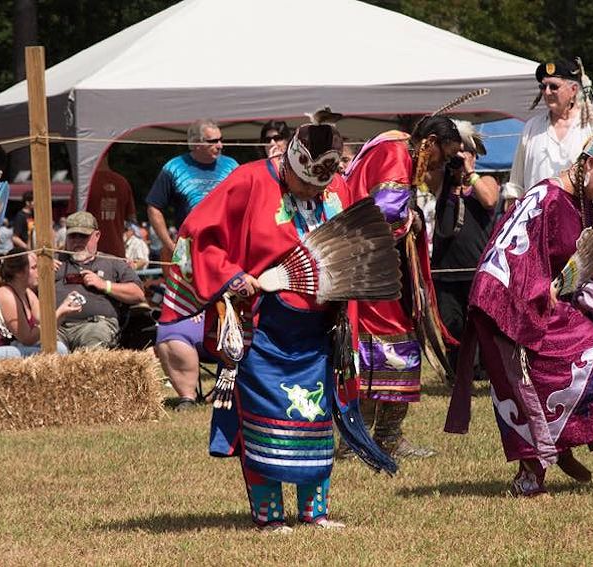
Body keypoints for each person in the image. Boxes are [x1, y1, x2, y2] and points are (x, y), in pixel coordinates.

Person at [158, 123, 350, 531]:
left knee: (314, 417)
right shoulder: (248, 180)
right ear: (290, 164)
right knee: (263, 418)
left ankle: (315, 512)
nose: (312, 194)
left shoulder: (334, 191)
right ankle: (269, 515)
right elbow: (198, 235)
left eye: (320, 186)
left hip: (315, 330)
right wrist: (231, 277)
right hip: (260, 326)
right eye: (304, 183)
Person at [446, 131, 593, 496]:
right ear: (591, 162)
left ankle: (560, 445)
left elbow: (572, 267)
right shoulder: (546, 196)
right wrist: (534, 292)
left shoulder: (583, 204)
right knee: (522, 388)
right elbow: (508, 252)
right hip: (504, 302)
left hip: (544, 302)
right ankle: (530, 475)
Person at [342, 116, 460, 459]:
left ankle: (379, 437)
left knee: (376, 349)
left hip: (372, 270)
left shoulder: (392, 147)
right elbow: (383, 216)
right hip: (374, 273)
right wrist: (414, 219)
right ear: (431, 141)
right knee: (388, 348)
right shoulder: (395, 155)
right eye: (443, 155)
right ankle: (364, 440)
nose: (441, 165)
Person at [147, 118, 238, 410]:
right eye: (213, 141)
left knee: (233, 317)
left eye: (220, 139)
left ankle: (230, 384)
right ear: (195, 143)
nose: (219, 145)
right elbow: (154, 206)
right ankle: (187, 395)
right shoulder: (173, 168)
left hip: (228, 255)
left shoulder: (232, 167)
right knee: (177, 322)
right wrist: (169, 244)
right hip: (189, 258)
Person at [431, 120, 499, 371]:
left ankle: (482, 370)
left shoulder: (487, 181)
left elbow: (490, 199)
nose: (459, 160)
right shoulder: (441, 184)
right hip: (445, 271)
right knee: (451, 323)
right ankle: (456, 370)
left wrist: (470, 173)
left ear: (474, 156)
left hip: (476, 270)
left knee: (479, 323)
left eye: (465, 154)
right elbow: (422, 173)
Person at [509, 58, 593, 219]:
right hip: (538, 228)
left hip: (585, 228)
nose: (547, 92)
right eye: (543, 86)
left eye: (554, 87)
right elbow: (515, 186)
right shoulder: (531, 127)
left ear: (573, 89)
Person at [55, 212, 144, 350]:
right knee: (45, 347)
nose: (77, 241)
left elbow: (138, 294)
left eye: (83, 236)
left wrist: (104, 285)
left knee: (93, 343)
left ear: (97, 236)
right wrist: (40, 270)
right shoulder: (53, 261)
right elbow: (19, 277)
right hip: (57, 326)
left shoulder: (113, 262)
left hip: (94, 325)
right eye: (73, 236)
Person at [0, 249, 77, 359]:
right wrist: (59, 312)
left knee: (59, 348)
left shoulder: (27, 292)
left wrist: (65, 310)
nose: (39, 271)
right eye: (34, 267)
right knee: (48, 354)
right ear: (19, 273)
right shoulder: (5, 295)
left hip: (13, 346)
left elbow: (45, 325)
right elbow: (27, 338)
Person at [85, 153, 137, 257]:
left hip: (89, 254)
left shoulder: (84, 184)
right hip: (117, 252)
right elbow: (132, 219)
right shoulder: (122, 182)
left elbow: (72, 219)